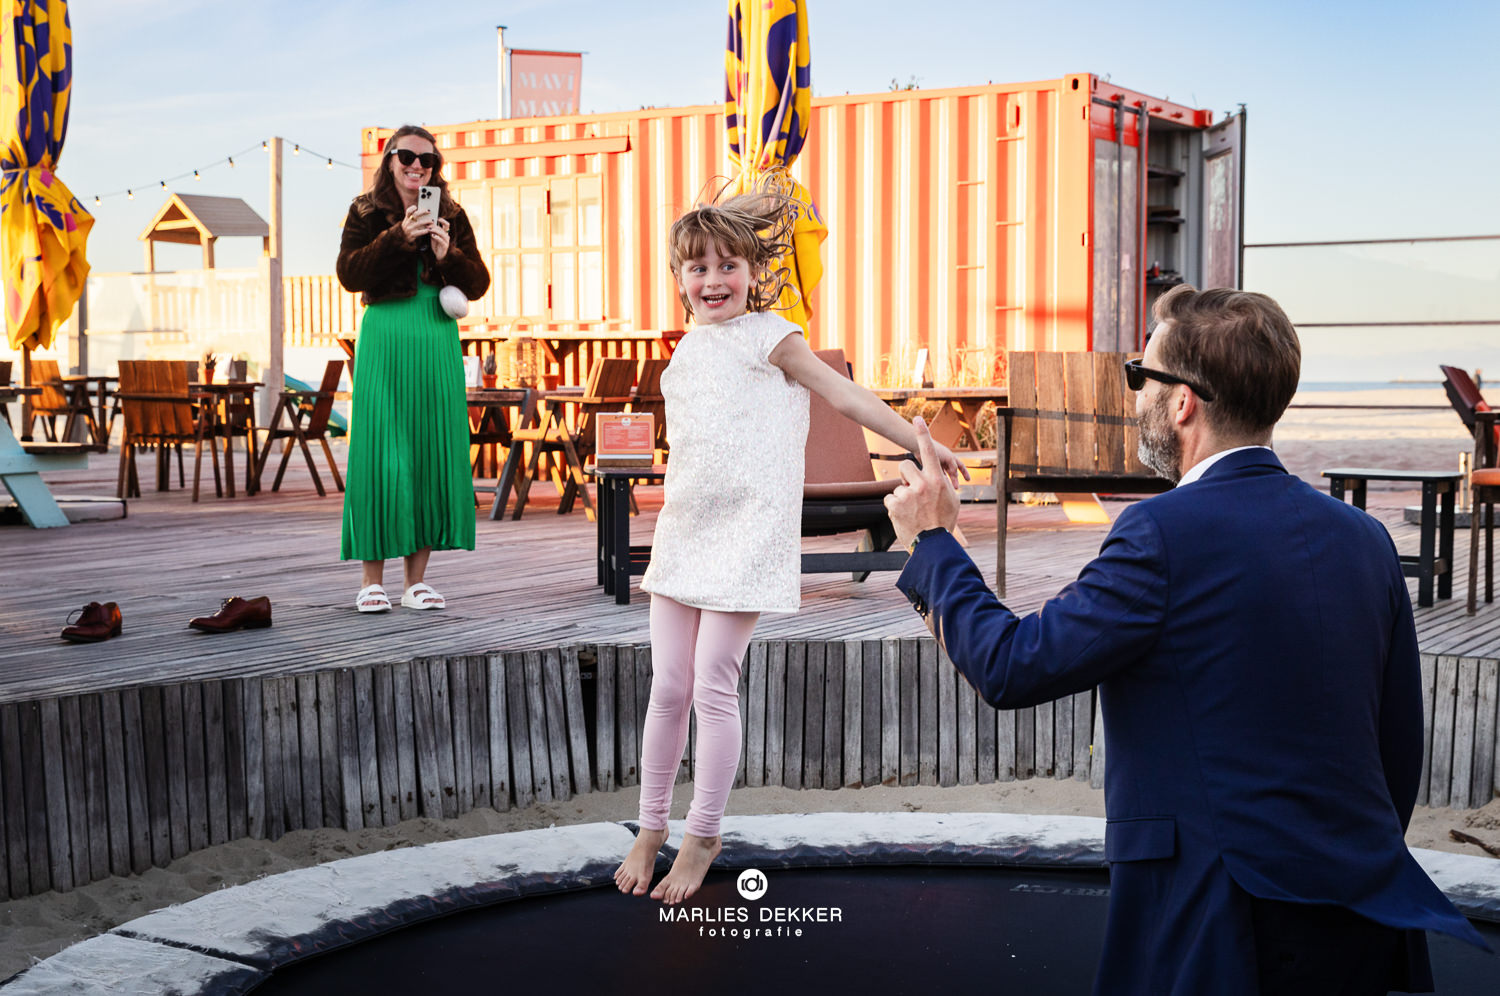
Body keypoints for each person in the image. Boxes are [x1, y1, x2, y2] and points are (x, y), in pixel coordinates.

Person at [884, 285, 1486, 994]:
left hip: (1220, 919)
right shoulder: (1365, 539)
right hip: (1363, 911)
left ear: (1182, 402)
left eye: (1141, 375)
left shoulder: (1160, 534)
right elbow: (1397, 748)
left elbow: (1013, 667)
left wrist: (932, 541)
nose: (1134, 394)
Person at [612, 177, 968, 905]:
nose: (713, 279)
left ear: (752, 272)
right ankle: (650, 826)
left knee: (713, 682)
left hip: (745, 536)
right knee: (668, 686)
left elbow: (844, 394)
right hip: (685, 533)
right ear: (679, 281)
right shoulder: (683, 353)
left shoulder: (771, 334)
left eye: (727, 265)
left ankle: (703, 833)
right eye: (698, 267)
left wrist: (915, 439)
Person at [335, 125, 490, 613]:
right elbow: (349, 273)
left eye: (428, 160)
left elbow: (479, 283)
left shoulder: (452, 213)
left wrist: (451, 256)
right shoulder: (364, 210)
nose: (417, 166)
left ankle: (416, 582)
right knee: (380, 450)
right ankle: (370, 581)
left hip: (434, 333)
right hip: (385, 332)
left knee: (428, 448)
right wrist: (397, 238)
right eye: (407, 156)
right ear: (390, 159)